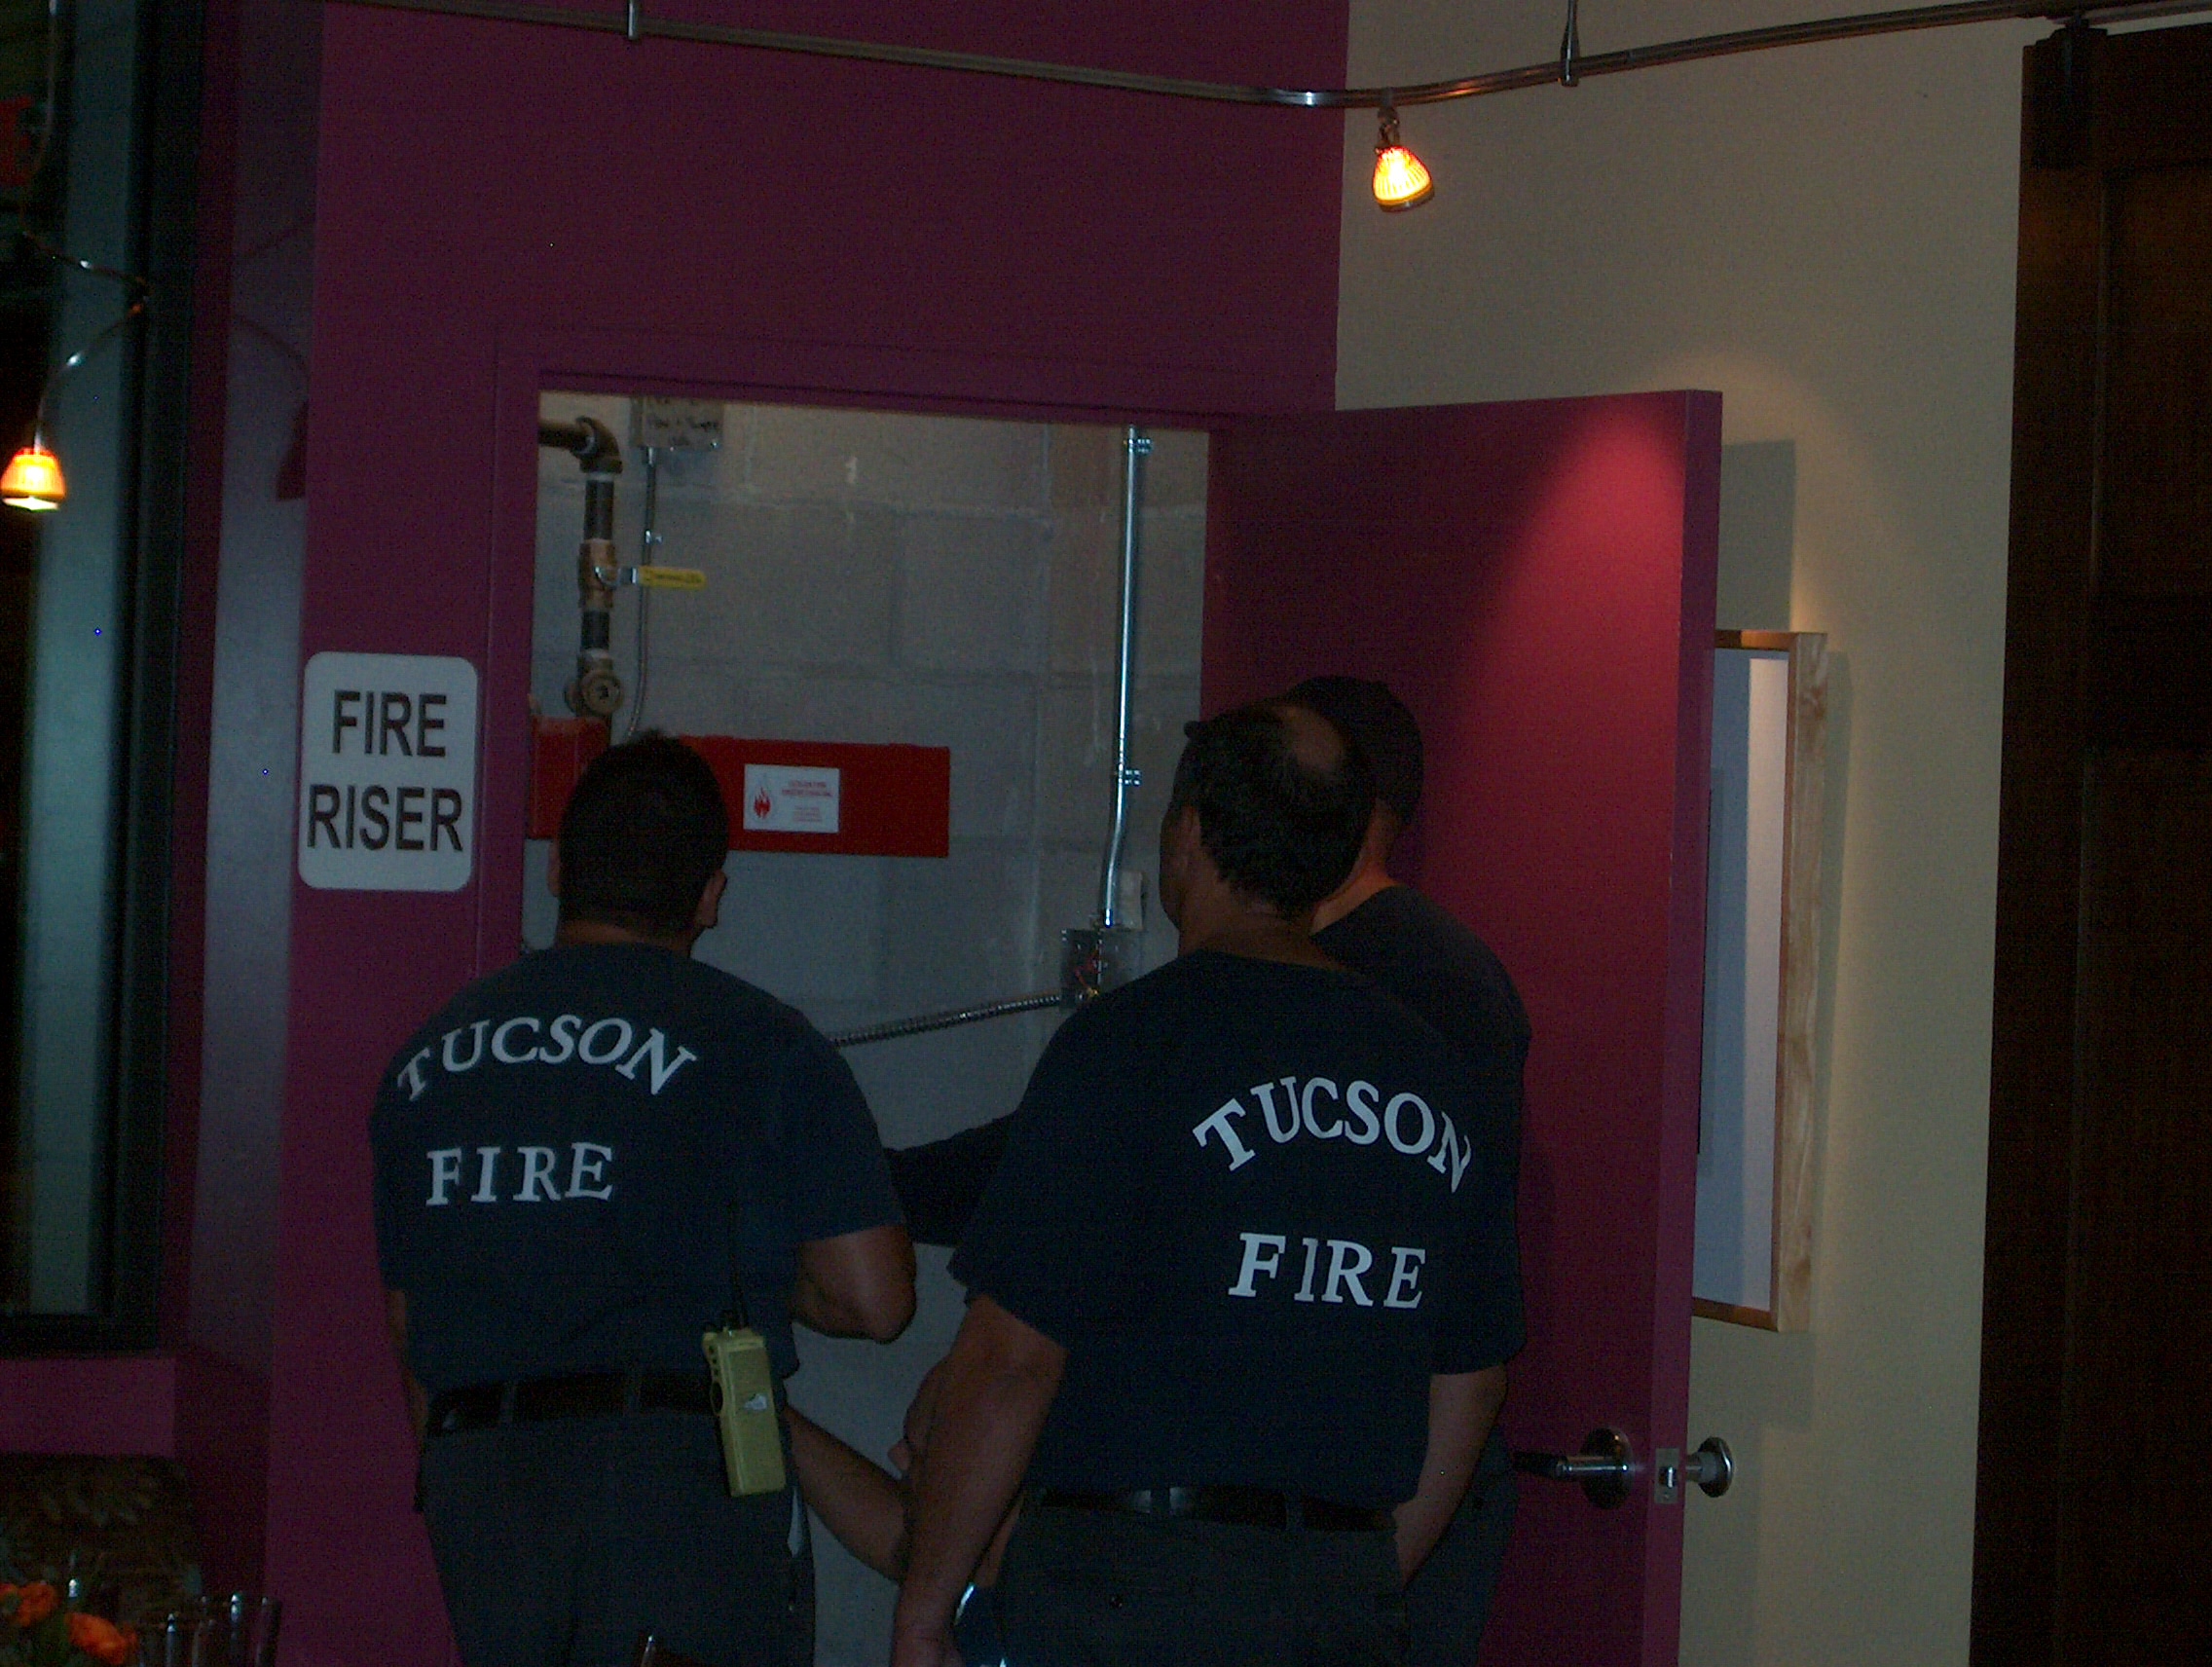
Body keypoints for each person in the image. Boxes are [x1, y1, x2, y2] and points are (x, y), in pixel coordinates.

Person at [884, 676, 1530, 1663]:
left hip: (1128, 1588)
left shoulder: (1132, 1043)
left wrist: (925, 1609)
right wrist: (1363, 1575)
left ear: (1186, 835)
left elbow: (1010, 1361)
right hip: (1336, 1588)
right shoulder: (1429, 1069)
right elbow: (1471, 1382)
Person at [370, 734, 916, 1667]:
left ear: (558, 869)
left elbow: (411, 1321)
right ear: (710, 895)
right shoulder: (760, 1041)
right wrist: (723, 1255)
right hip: (671, 1488)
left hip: (481, 1486)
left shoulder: (426, 1063)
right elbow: (875, 1298)